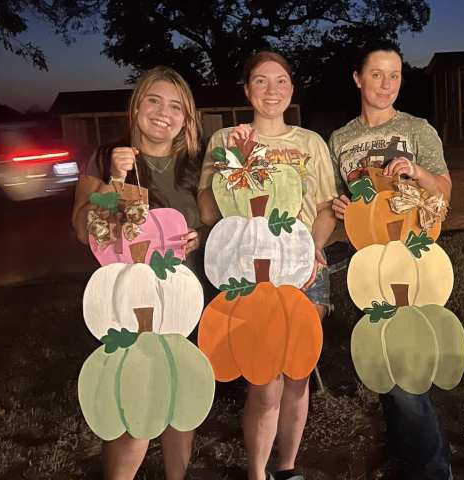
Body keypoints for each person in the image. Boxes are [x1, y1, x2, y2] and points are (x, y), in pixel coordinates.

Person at [197, 51, 338, 480]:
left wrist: (312, 248)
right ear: (247, 90)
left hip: (304, 272)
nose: (271, 90)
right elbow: (207, 210)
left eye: (280, 81)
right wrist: (234, 164)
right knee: (264, 378)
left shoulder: (310, 142)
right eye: (260, 81)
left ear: (292, 88)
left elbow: (326, 208)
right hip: (252, 273)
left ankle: (288, 467)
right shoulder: (225, 141)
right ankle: (257, 472)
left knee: (296, 374)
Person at [71, 66, 204, 479]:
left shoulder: (195, 165)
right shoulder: (105, 156)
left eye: (176, 106)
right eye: (154, 100)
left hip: (179, 302)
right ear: (137, 106)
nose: (164, 112)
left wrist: (199, 235)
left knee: (179, 406)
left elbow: (210, 220)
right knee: (132, 409)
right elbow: (81, 227)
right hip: (125, 304)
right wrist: (114, 180)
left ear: (187, 118)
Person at [329, 41, 453, 480]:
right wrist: (344, 212)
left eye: (395, 75)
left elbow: (443, 192)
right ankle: (406, 453)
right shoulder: (340, 140)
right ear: (358, 78)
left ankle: (432, 469)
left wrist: (417, 173)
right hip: (369, 266)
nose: (386, 84)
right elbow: (342, 202)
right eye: (377, 74)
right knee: (384, 361)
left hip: (412, 259)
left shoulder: (417, 129)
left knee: (405, 374)